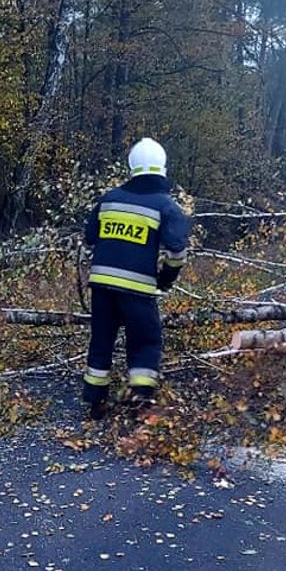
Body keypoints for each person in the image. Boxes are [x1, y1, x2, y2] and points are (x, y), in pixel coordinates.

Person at [82, 137, 190, 418]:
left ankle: (95, 403)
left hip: (102, 286)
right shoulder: (166, 207)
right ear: (162, 168)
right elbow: (177, 251)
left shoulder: (108, 200)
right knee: (145, 341)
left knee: (101, 340)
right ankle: (140, 401)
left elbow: (89, 239)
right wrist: (165, 279)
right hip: (138, 290)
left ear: (131, 167)